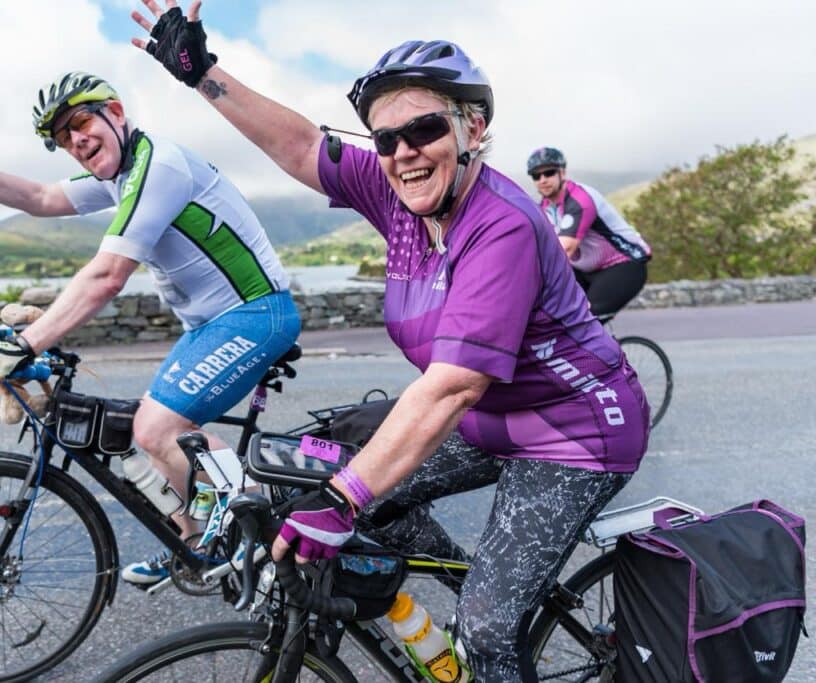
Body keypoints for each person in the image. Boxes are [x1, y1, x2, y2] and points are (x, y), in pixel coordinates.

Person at [131, 3, 649, 680]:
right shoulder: (395, 190)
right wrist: (203, 74)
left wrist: (347, 494)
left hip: (575, 433)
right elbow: (298, 145)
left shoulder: (503, 228)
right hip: (490, 416)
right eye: (386, 138)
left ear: (473, 128)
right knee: (340, 488)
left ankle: (495, 609)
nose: (403, 150)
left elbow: (452, 384)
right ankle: (487, 574)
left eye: (425, 128)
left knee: (488, 629)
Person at [0, 71, 300, 587]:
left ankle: (268, 542)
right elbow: (41, 197)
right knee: (154, 429)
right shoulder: (120, 175)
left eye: (81, 122)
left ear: (115, 113)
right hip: (212, 326)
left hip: (255, 315)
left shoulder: (157, 166)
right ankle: (194, 545)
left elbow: (106, 275)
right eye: (63, 138)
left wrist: (27, 342)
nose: (75, 141)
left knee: (155, 428)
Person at [527, 147, 652, 318]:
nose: (543, 180)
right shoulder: (545, 208)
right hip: (586, 270)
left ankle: (602, 345)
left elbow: (565, 249)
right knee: (550, 315)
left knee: (585, 319)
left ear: (562, 173)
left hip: (623, 265)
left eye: (549, 173)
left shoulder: (580, 199)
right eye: (536, 175)